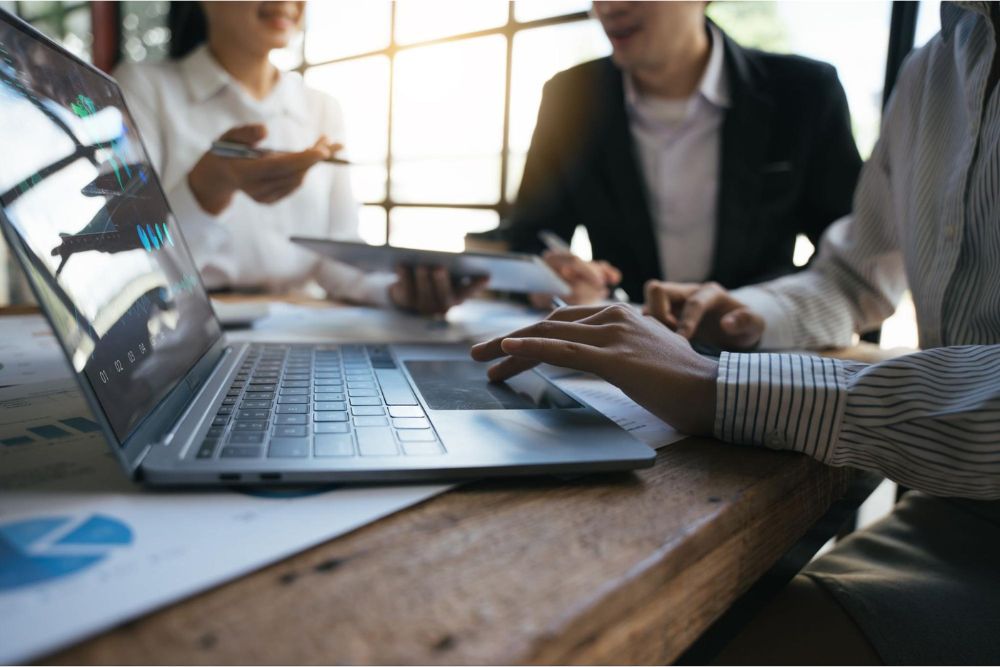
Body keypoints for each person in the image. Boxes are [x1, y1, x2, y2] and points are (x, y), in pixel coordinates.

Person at [473, 1, 1000, 662]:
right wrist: (749, 312)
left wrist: (722, 385)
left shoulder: (806, 86)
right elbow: (856, 275)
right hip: (942, 508)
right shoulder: (932, 71)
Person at [114, 1, 482, 316]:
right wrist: (208, 190)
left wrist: (399, 292)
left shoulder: (322, 108)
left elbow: (337, 260)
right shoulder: (140, 88)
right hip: (185, 325)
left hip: (299, 323)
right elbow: (129, 263)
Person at [503, 1, 862, 306]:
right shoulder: (570, 95)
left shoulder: (804, 92)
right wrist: (557, 275)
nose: (609, 6)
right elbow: (531, 232)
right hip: (620, 355)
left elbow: (851, 251)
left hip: (763, 357)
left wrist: (768, 313)